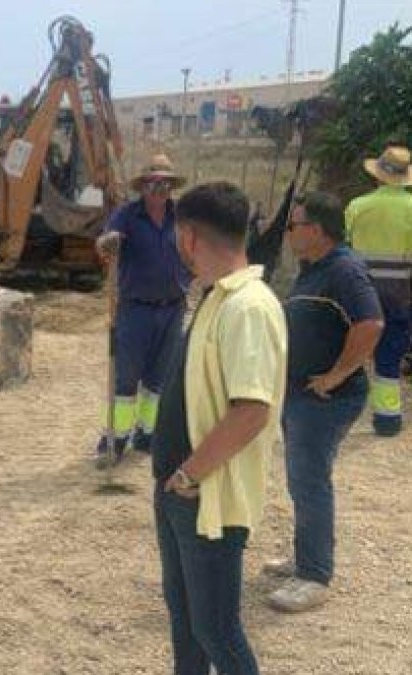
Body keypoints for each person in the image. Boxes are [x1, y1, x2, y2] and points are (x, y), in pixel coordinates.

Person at [152, 182, 286, 675]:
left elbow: (251, 410)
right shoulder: (216, 297)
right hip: (180, 488)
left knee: (216, 632)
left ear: (188, 237)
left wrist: (189, 475)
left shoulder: (248, 306)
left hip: (207, 494)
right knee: (187, 624)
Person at [265, 192, 383, 612]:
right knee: (302, 480)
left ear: (316, 230)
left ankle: (314, 575)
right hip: (300, 394)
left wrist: (336, 375)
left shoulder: (344, 270)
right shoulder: (314, 268)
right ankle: (305, 557)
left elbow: (370, 324)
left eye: (293, 225)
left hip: (325, 399)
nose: (288, 232)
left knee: (310, 481)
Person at [93, 154, 191, 468]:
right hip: (136, 310)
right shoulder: (127, 215)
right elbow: (103, 243)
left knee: (159, 377)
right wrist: (108, 243)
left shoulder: (181, 217)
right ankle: (116, 437)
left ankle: (147, 433)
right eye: (153, 183)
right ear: (143, 186)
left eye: (165, 183)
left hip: (173, 308)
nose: (160, 189)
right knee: (127, 377)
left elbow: (195, 249)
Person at [344, 145, 412, 436]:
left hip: (361, 291)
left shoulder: (357, 206)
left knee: (351, 349)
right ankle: (387, 418)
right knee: (390, 354)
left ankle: (341, 411)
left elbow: (345, 248)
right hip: (400, 294)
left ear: (378, 175)